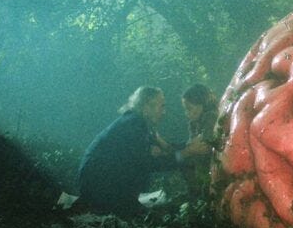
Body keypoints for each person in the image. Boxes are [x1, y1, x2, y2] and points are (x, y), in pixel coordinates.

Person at [76, 86, 179, 217]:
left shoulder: (135, 122)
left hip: (97, 183)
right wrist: (185, 155)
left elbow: (164, 151)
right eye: (161, 106)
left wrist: (181, 149)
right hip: (100, 186)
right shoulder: (134, 124)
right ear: (147, 107)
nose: (164, 111)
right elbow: (148, 163)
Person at [174, 83, 217, 202]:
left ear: (202, 105)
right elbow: (192, 143)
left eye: (189, 108)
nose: (186, 113)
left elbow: (206, 141)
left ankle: (201, 193)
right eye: (185, 109)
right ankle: (196, 192)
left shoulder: (211, 117)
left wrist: (191, 146)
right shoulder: (193, 123)